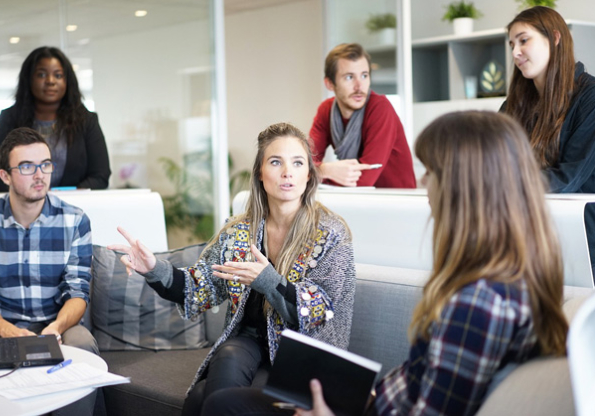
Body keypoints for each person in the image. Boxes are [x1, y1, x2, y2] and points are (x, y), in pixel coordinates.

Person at [208, 111, 569, 416]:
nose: (424, 183)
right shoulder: (509, 279)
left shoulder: (478, 304)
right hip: (373, 402)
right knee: (219, 398)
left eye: (431, 172)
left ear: (466, 187)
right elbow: (422, 383)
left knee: (222, 406)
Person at [109, 122, 356, 416]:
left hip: (304, 354)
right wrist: (153, 268)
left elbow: (319, 311)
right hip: (250, 341)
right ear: (261, 175)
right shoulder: (239, 231)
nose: (287, 172)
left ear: (308, 175)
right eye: (276, 162)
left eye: (298, 162)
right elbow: (197, 288)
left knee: (203, 397)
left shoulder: (330, 233)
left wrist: (267, 280)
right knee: (227, 355)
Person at [0, 128, 99, 414]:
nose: (40, 174)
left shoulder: (75, 221)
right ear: (5, 176)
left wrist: (55, 329)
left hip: (58, 324)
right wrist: (7, 331)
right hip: (0, 325)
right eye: (26, 166)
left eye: (45, 164)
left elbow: (78, 291)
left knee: (82, 342)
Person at [503, 5, 595, 279]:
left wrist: (503, 183)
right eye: (511, 44)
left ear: (555, 38)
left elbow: (568, 177)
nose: (515, 52)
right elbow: (492, 156)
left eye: (523, 40)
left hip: (582, 239)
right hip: (530, 236)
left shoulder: (589, 97)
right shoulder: (515, 103)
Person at [0, 46, 111, 191]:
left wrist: (65, 199)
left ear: (67, 81)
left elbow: (100, 176)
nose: (50, 81)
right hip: (22, 210)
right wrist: (31, 197)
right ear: (29, 79)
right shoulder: (9, 119)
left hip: (74, 208)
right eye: (41, 75)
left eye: (58, 75)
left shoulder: (87, 121)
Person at [308, 43, 416, 188]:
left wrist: (318, 173)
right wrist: (326, 169)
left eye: (364, 76)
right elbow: (302, 164)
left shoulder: (380, 108)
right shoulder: (326, 110)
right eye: (349, 77)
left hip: (396, 202)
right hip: (357, 200)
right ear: (329, 84)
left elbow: (364, 180)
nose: (359, 86)